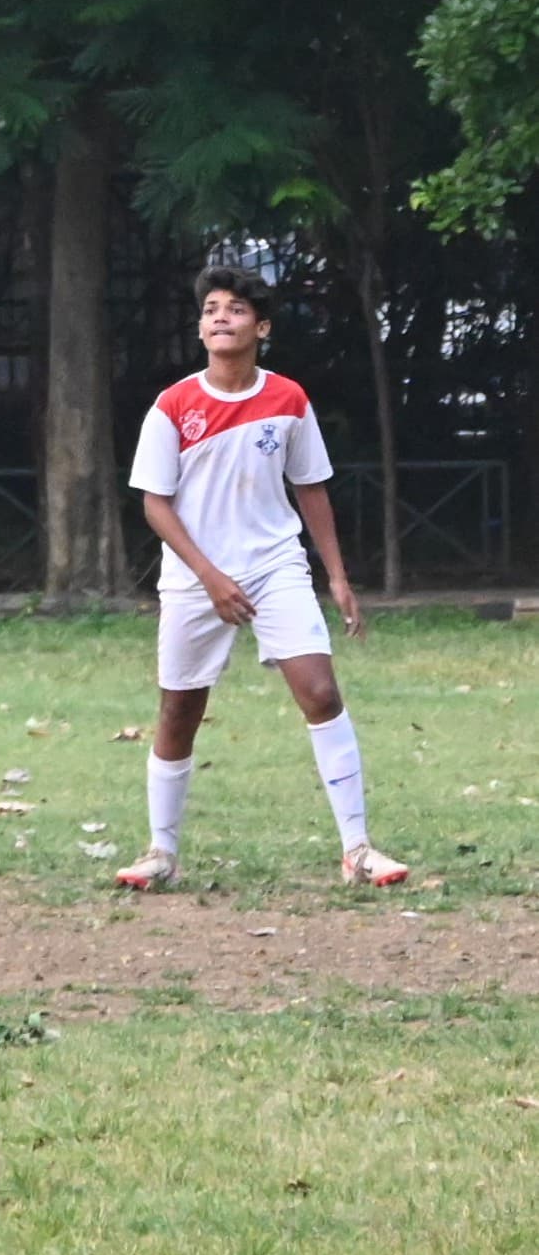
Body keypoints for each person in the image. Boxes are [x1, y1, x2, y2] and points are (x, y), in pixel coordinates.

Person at [119, 265, 408, 889]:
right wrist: (211, 577)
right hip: (197, 575)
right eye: (212, 309)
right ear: (201, 328)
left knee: (322, 693)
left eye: (237, 309)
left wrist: (336, 575)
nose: (221, 316)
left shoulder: (289, 399)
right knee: (179, 712)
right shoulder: (173, 406)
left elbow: (311, 488)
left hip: (275, 565)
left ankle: (357, 851)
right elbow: (154, 504)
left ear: (262, 327)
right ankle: (160, 854)